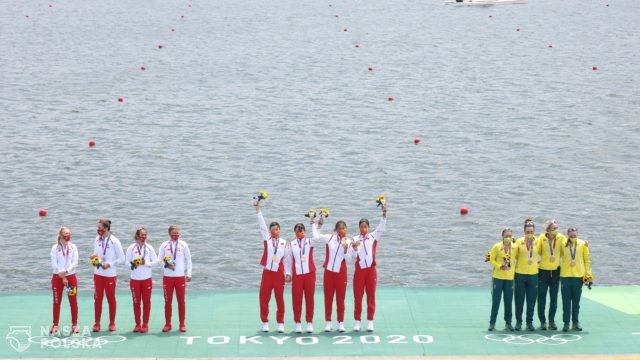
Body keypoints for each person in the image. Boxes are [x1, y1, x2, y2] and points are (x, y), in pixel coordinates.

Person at [347, 202, 387, 332]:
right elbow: (352, 257)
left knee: (371, 296)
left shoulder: (373, 236)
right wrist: (353, 248)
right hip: (359, 272)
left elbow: (381, 227)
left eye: (365, 226)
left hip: (371, 271)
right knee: (358, 297)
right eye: (361, 226)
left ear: (368, 228)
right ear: (359, 228)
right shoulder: (354, 239)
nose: (363, 228)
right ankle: (357, 322)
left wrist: (384, 214)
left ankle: (370, 321)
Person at [254, 200, 292, 333]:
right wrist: (258, 208)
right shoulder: (267, 239)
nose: (275, 231)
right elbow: (261, 224)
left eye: (277, 229)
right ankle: (265, 322)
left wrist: (288, 273)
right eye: (272, 229)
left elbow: (287, 259)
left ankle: (280, 323)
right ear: (269, 231)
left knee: (279, 298)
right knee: (264, 297)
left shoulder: (284, 243)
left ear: (280, 230)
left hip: (278, 273)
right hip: (267, 272)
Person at [311, 215, 352, 332]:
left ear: (346, 229)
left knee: (340, 299)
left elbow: (349, 260)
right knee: (328, 298)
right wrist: (318, 224)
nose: (341, 230)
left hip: (341, 273)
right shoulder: (330, 238)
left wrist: (345, 250)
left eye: (344, 228)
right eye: (339, 228)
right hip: (328, 272)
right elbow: (316, 237)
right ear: (336, 230)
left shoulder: (348, 242)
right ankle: (328, 322)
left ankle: (341, 323)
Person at [92, 218, 125, 332]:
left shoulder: (114, 241)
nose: (98, 230)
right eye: (98, 228)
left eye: (100, 228)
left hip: (110, 274)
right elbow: (97, 254)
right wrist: (94, 257)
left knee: (110, 298)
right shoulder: (97, 239)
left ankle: (112, 323)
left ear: (106, 228)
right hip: (98, 273)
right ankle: (97, 323)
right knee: (97, 298)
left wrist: (110, 264)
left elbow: (122, 259)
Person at [158, 224, 192, 332]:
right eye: (173, 234)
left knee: (181, 301)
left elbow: (188, 260)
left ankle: (182, 324)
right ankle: (168, 324)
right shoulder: (164, 245)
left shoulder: (183, 244)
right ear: (169, 234)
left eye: (177, 234)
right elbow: (159, 260)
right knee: (168, 301)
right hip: (168, 277)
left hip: (180, 277)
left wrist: (189, 274)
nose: (175, 236)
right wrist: (167, 265)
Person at [285, 219, 318, 333]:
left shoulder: (310, 241)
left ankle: (309, 322)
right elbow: (288, 260)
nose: (299, 232)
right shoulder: (291, 244)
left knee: (309, 298)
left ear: (305, 231)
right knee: (297, 299)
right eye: (297, 231)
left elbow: (317, 237)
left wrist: (313, 223)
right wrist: (288, 273)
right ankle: (298, 323)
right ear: (294, 232)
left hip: (309, 274)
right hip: (298, 275)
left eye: (301, 230)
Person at [125, 226, 158, 333]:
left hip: (146, 279)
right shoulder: (131, 248)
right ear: (137, 236)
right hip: (135, 279)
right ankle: (137, 324)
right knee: (136, 302)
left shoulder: (149, 248)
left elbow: (156, 262)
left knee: (146, 302)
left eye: (145, 235)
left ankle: (145, 324)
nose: (144, 237)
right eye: (142, 235)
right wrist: (133, 264)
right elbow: (126, 262)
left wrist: (146, 263)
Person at [559, 227, 592, 332]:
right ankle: (566, 323)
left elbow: (587, 261)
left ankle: (575, 322)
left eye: (575, 236)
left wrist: (588, 276)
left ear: (577, 235)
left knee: (576, 302)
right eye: (571, 236)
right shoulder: (563, 244)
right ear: (567, 235)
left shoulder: (583, 244)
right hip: (565, 276)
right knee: (566, 302)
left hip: (578, 277)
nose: (573, 237)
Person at [537, 219, 566, 330]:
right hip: (543, 271)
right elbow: (536, 250)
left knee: (553, 298)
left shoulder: (561, 238)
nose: (556, 230)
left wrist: (585, 242)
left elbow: (571, 244)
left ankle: (551, 321)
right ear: (548, 229)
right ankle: (542, 321)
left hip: (555, 271)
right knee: (541, 298)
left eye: (557, 228)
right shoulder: (541, 238)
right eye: (554, 228)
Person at [513, 217, 541, 331]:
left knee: (531, 301)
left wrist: (584, 242)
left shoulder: (539, 241)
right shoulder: (518, 241)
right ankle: (519, 322)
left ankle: (529, 322)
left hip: (533, 275)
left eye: (531, 231)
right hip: (520, 274)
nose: (529, 233)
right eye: (527, 232)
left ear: (534, 231)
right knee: (519, 300)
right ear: (524, 231)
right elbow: (511, 255)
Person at [50, 226, 79, 334]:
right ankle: (55, 324)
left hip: (70, 277)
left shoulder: (73, 247)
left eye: (69, 234)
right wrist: (62, 276)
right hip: (57, 278)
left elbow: (75, 262)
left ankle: (74, 325)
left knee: (73, 301)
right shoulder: (54, 248)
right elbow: (54, 264)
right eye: (66, 234)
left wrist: (66, 272)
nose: (68, 236)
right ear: (61, 235)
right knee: (57, 302)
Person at [487, 228, 516, 331]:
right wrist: (499, 266)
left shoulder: (515, 247)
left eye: (510, 236)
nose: (508, 238)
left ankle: (508, 323)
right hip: (498, 278)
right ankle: (492, 323)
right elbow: (490, 259)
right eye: (506, 236)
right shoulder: (497, 246)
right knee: (496, 301)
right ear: (502, 236)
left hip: (509, 278)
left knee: (508, 302)